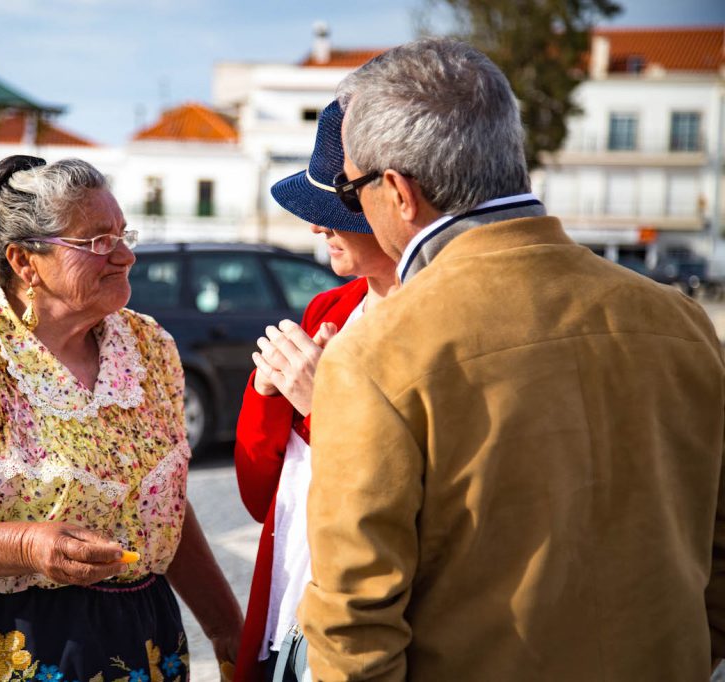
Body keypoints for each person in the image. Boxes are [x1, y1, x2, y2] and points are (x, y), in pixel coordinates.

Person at [300, 38, 725, 681]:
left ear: (399, 191)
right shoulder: (681, 321)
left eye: (349, 188)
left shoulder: (375, 356)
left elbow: (352, 630)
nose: (350, 207)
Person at [0, 156, 243, 681]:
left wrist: (227, 628)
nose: (125, 255)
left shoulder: (149, 348)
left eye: (124, 235)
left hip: (133, 642)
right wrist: (28, 546)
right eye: (98, 241)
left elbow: (159, 503)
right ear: (25, 262)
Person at [233, 100, 395, 682]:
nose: (316, 226)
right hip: (291, 596)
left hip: (362, 622)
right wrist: (266, 391)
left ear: (395, 201)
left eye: (330, 211)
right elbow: (262, 497)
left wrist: (319, 402)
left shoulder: (433, 322)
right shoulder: (329, 307)